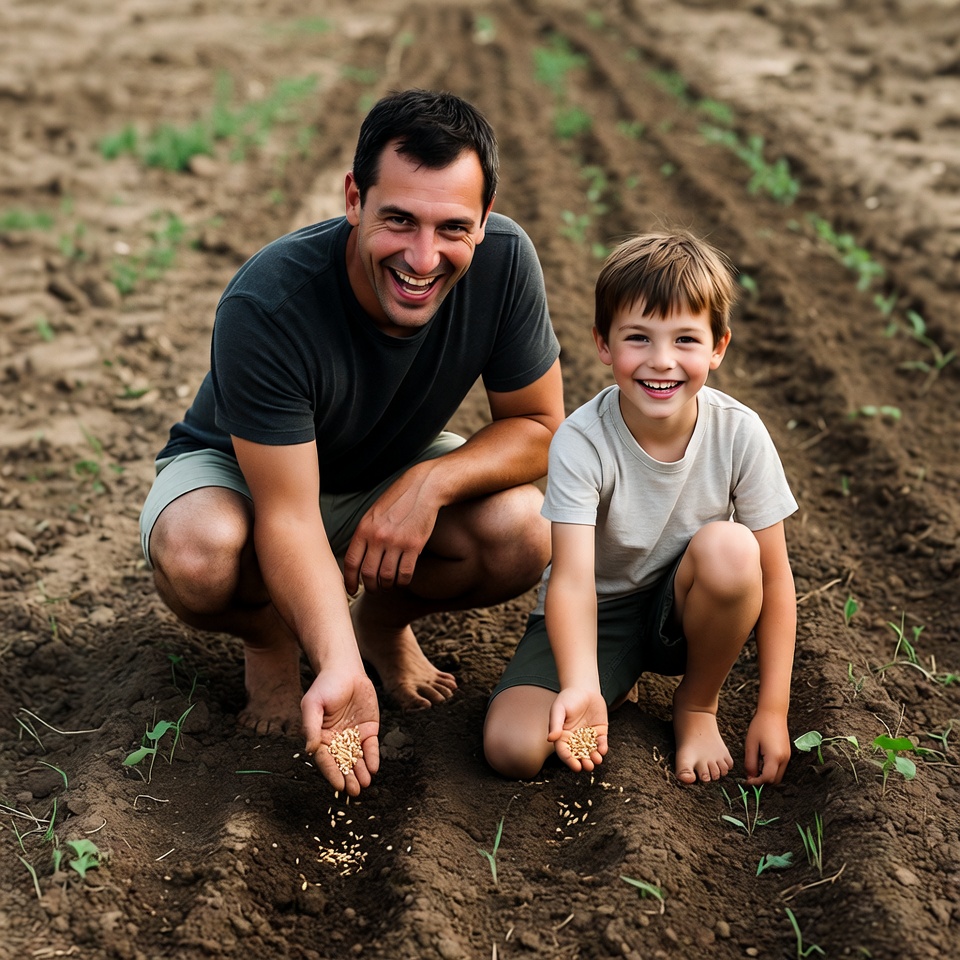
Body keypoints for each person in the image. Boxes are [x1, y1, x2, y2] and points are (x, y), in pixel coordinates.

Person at [138, 89, 564, 796]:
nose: (423, 258)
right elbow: (289, 514)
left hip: (387, 465)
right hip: (248, 479)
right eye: (399, 219)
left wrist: (428, 485)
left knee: (524, 529)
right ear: (354, 199)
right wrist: (338, 670)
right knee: (197, 551)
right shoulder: (268, 302)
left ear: (486, 220)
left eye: (453, 227)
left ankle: (383, 624)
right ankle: (271, 638)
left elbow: (541, 427)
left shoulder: (507, 263)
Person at [483, 231, 797, 786]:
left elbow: (774, 579)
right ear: (603, 344)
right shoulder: (582, 440)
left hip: (685, 606)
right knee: (511, 750)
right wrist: (579, 684)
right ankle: (608, 678)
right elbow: (573, 581)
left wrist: (773, 710)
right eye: (638, 338)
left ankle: (696, 706)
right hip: (596, 614)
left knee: (732, 548)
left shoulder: (738, 433)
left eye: (685, 340)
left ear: (719, 347)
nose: (661, 362)